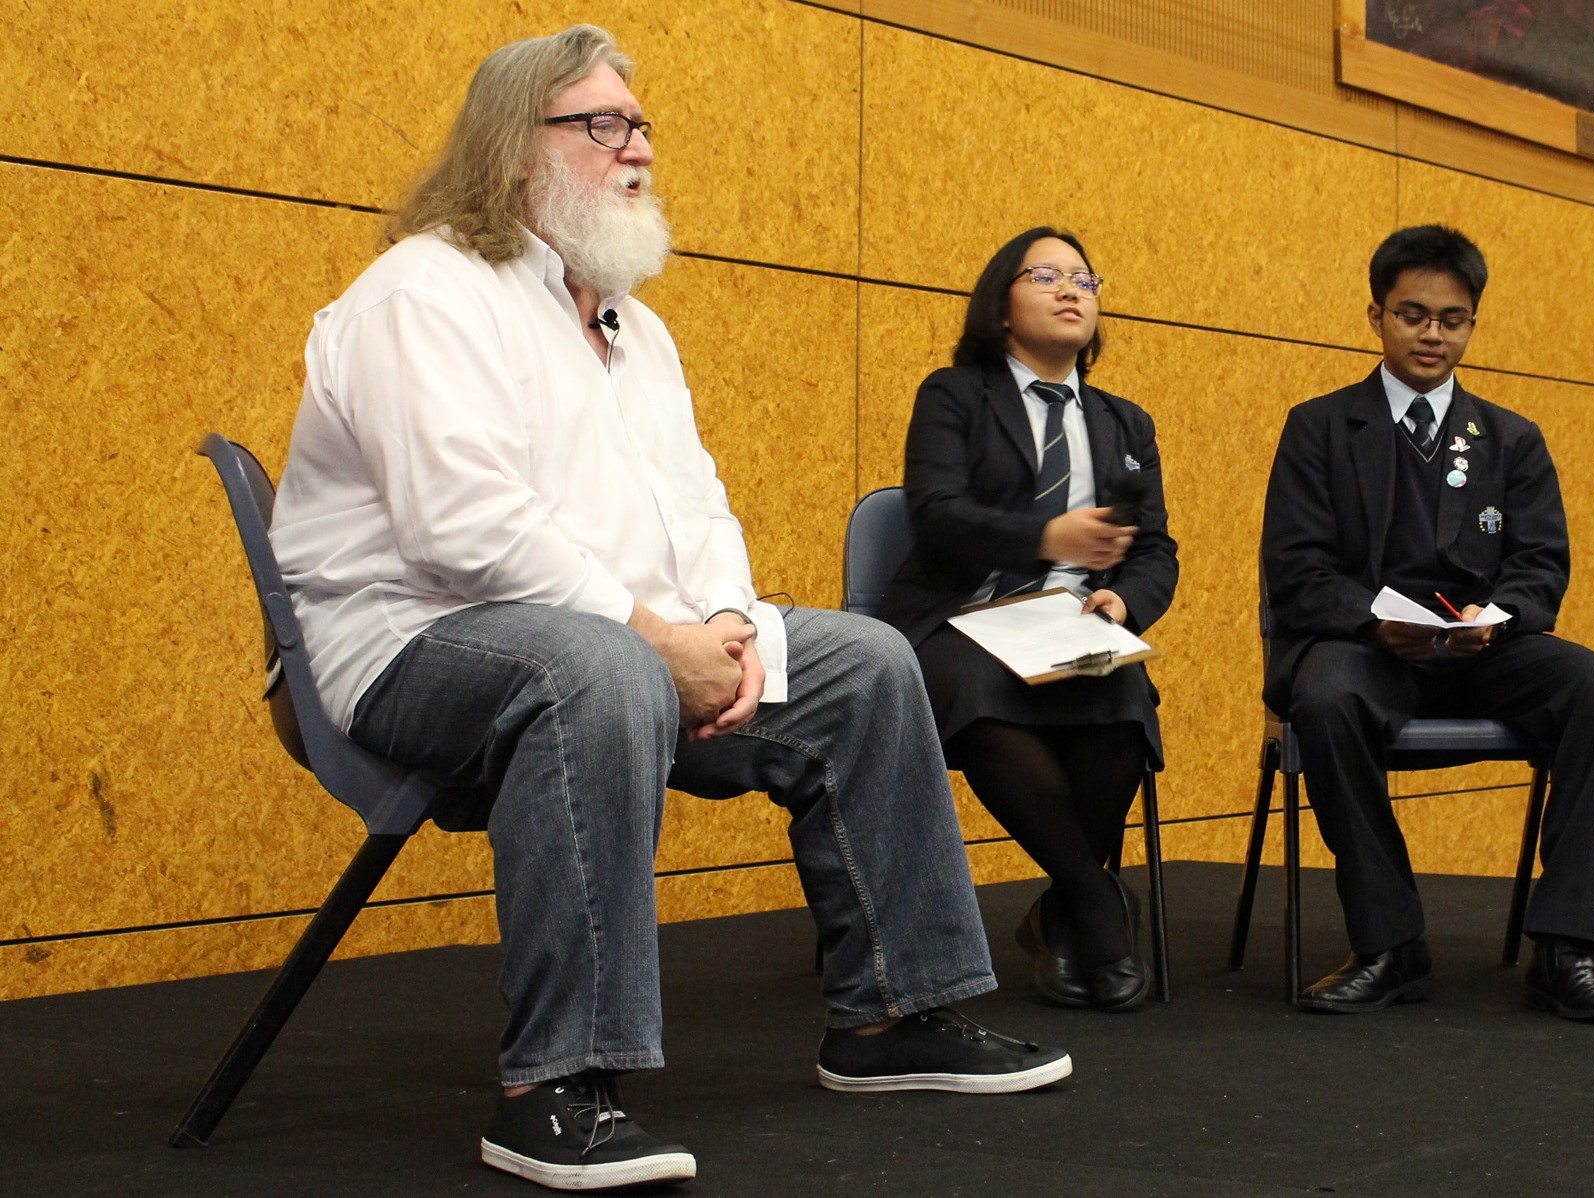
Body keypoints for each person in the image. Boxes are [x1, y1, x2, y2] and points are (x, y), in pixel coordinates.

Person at [267, 26, 1069, 1191]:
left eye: (639, 124)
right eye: (602, 124)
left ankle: (892, 1019)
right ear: (512, 145)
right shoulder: (423, 290)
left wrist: (728, 629)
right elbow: (462, 525)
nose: (636, 146)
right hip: (407, 645)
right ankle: (555, 1085)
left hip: (618, 640)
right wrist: (653, 643)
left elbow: (696, 506)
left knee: (865, 661)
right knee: (596, 669)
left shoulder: (635, 329)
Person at [1260, 224, 1594, 1023]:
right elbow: (1296, 572)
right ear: (1375, 317)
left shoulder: (1512, 437)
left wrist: (1496, 621)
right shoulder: (1320, 427)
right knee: (1325, 700)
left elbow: (1543, 569)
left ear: (1472, 323)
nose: (1433, 334)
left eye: (1452, 319)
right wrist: (1372, 621)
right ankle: (1391, 944)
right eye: (1413, 314)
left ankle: (1566, 948)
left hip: (1481, 649)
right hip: (1364, 646)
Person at [880, 228, 1178, 1012]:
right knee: (980, 702)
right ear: (1001, 306)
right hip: (962, 617)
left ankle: (1063, 909)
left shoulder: (1125, 422)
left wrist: (1124, 601)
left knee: (1121, 705)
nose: (1070, 289)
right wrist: (1048, 537)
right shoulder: (954, 396)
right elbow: (936, 514)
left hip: (1073, 622)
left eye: (1084, 277)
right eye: (1045, 275)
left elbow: (1154, 549)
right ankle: (1098, 908)